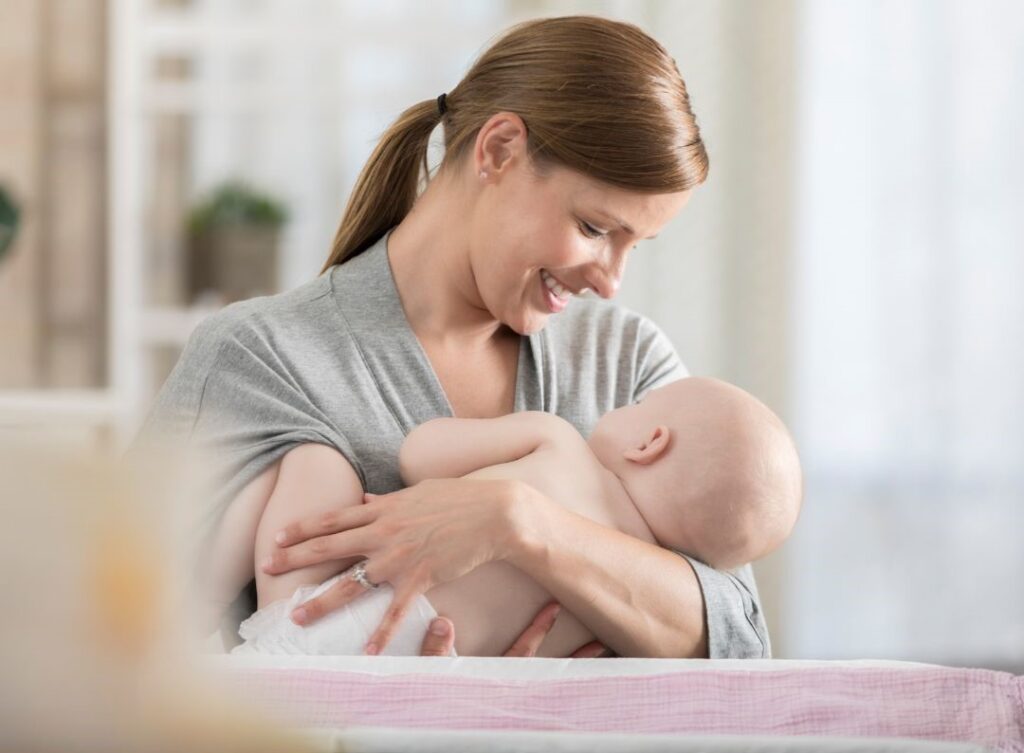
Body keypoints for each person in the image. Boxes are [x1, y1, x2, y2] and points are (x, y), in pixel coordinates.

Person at [136, 15, 772, 659]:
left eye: (636, 245)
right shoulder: (262, 359)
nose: (611, 282)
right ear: (498, 150)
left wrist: (519, 523)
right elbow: (106, 646)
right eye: (593, 227)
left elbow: (739, 643)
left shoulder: (626, 362)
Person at [231, 376, 802, 657]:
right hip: (414, 680)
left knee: (313, 457)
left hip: (307, 627)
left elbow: (419, 454)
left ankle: (239, 623)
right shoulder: (611, 611)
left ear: (649, 441)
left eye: (637, 405)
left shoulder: (557, 442)